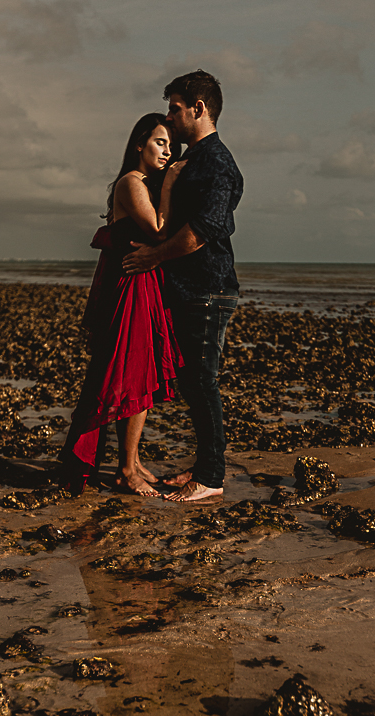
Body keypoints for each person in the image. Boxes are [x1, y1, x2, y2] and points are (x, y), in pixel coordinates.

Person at [123, 70, 243, 502]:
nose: (170, 118)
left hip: (207, 288)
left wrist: (154, 256)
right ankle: (205, 466)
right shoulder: (192, 158)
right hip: (190, 287)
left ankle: (210, 477)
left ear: (199, 109)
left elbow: (203, 230)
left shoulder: (216, 162)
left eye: (175, 109)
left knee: (201, 382)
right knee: (193, 382)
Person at [58, 113, 184, 495]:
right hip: (131, 286)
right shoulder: (132, 183)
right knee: (130, 374)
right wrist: (171, 185)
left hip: (142, 282)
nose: (168, 150)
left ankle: (131, 461)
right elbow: (159, 228)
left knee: (137, 373)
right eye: (160, 142)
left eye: (170, 144)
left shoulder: (143, 183)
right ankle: (126, 469)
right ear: (139, 145)